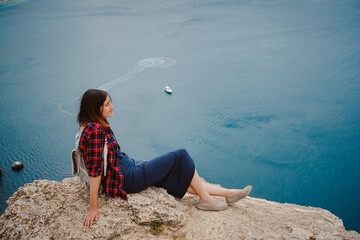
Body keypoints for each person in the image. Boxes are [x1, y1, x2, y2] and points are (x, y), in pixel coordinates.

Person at [77, 89, 252, 229]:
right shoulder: (96, 132)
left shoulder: (89, 125)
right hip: (129, 177)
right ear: (96, 108)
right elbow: (95, 171)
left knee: (177, 175)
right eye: (107, 104)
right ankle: (206, 200)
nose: (112, 106)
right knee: (181, 155)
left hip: (128, 169)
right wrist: (93, 206)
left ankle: (230, 194)